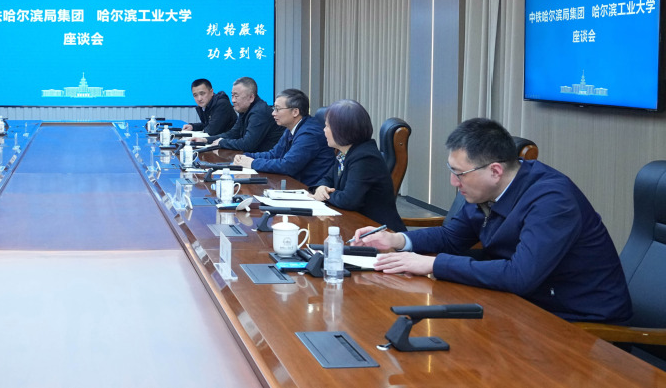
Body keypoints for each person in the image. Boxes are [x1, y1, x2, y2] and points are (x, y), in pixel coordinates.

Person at [354, 118, 631, 323]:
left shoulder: (552, 200)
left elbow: (520, 276)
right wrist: (396, 239)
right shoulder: (487, 190)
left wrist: (433, 264)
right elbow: (451, 237)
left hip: (579, 321)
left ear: (495, 171)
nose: (453, 182)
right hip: (523, 305)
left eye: (459, 173)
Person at [308, 99, 405, 231]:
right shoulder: (345, 152)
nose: (324, 130)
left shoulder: (365, 157)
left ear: (342, 130)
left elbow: (348, 200)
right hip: (354, 224)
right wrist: (321, 188)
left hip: (378, 231)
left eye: (327, 126)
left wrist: (325, 195)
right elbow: (327, 178)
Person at [233, 88, 333, 185]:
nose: (273, 113)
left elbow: (287, 166)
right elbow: (274, 154)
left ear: (295, 112)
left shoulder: (309, 134)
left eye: (278, 109)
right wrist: (246, 156)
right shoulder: (291, 128)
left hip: (310, 189)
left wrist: (252, 163)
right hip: (293, 183)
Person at [199, 77, 283, 152]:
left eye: (236, 96)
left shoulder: (260, 112)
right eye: (232, 95)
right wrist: (206, 140)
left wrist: (222, 142)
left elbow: (248, 144)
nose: (233, 100)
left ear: (251, 97)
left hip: (268, 160)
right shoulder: (245, 109)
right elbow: (233, 134)